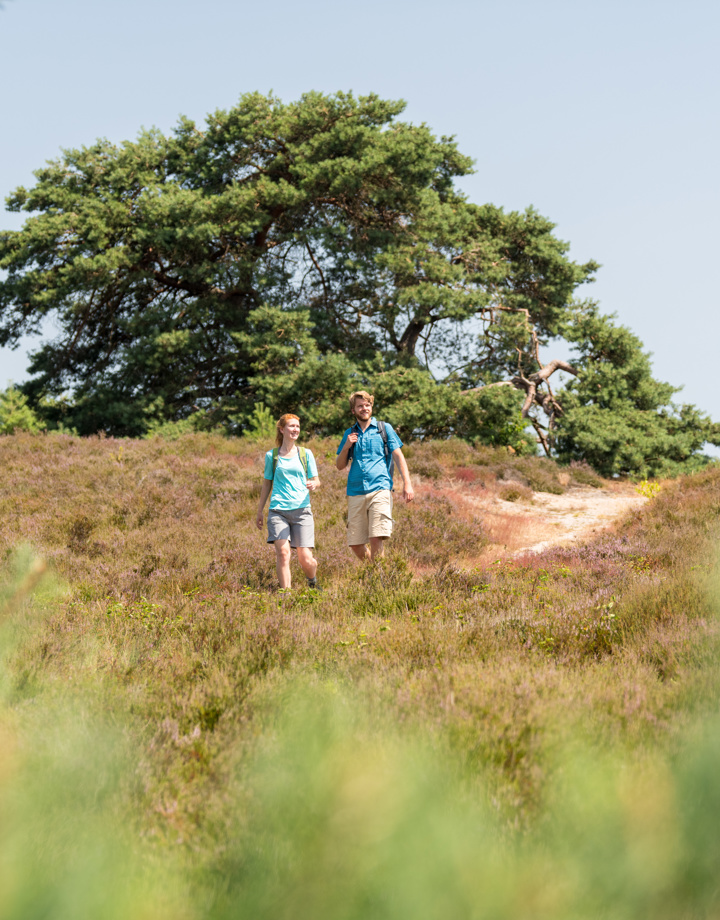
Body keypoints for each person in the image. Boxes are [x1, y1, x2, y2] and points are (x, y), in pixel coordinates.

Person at [335, 391, 414, 561]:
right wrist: (347, 446)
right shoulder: (349, 433)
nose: (364, 408)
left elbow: (399, 456)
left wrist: (407, 483)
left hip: (380, 488)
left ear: (371, 407)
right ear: (353, 411)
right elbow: (340, 465)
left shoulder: (384, 429)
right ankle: (374, 573)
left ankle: (378, 578)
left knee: (376, 537)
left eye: (367, 405)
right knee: (355, 543)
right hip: (356, 491)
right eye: (360, 406)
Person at [256, 413, 321, 590]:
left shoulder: (305, 454)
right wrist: (260, 510)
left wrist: (313, 484)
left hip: (302, 511)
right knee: (283, 553)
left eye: (297, 427)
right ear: (282, 429)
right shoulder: (272, 456)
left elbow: (317, 480)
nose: (295, 430)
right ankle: (286, 595)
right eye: (291, 426)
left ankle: (312, 581)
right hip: (278, 511)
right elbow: (267, 483)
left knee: (305, 559)